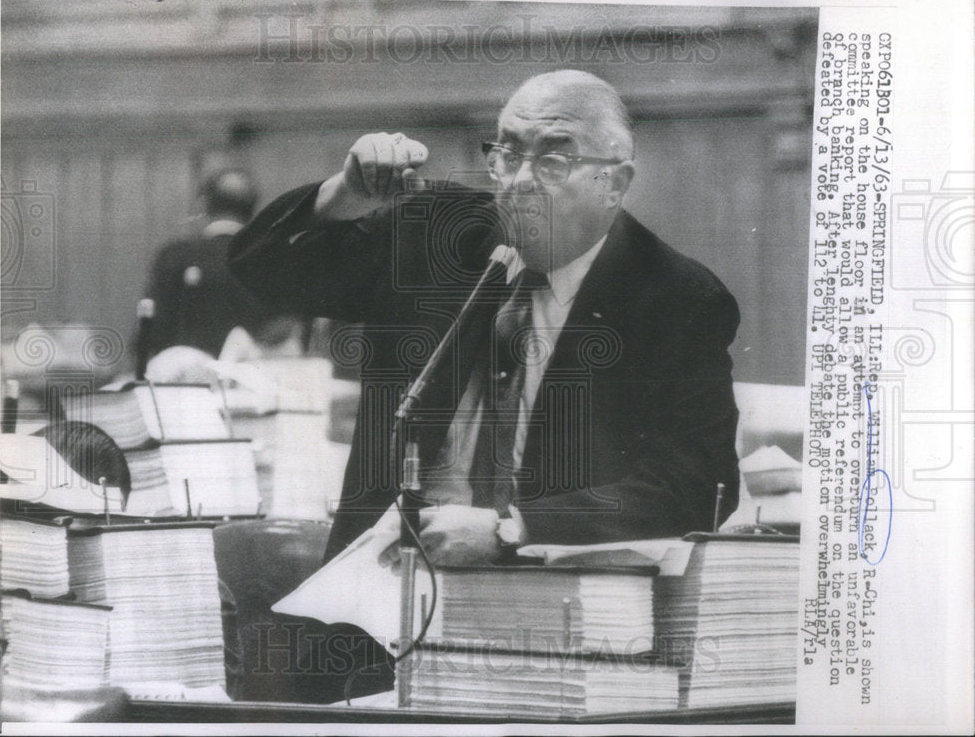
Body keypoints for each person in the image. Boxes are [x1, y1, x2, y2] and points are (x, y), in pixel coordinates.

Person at [230, 70, 741, 568]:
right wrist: (347, 193)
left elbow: (695, 484)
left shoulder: (675, 298)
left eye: (553, 160)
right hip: (375, 584)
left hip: (542, 601)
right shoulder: (434, 235)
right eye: (507, 153)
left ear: (615, 183)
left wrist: (515, 531)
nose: (518, 182)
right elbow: (261, 269)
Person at [143, 168, 305, 359]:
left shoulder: (176, 257)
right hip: (258, 381)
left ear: (203, 204)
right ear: (253, 209)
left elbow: (150, 334)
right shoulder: (277, 257)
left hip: (187, 383)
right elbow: (290, 332)